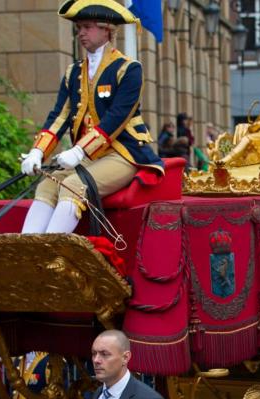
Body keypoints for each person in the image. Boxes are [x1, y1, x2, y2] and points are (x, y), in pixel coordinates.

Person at [19, 0, 164, 234]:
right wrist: (38, 151)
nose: (81, 33)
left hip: (123, 153)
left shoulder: (128, 69)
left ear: (106, 28)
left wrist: (78, 151)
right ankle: (29, 250)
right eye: (79, 28)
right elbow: (60, 115)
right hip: (89, 156)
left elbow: (116, 118)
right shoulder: (74, 71)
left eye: (87, 27)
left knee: (74, 185)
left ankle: (55, 252)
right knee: (47, 184)